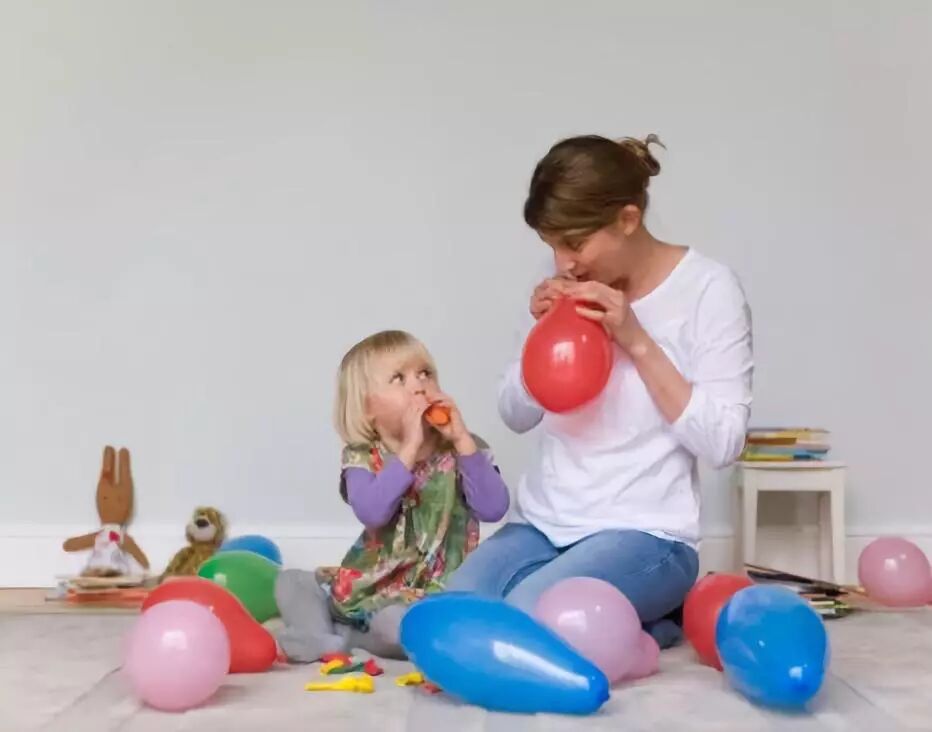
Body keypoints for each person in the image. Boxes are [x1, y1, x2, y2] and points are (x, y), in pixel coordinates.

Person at [447, 134, 754, 647]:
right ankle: (644, 623)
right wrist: (541, 338)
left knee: (531, 618)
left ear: (627, 220)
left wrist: (636, 340)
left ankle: (647, 612)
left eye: (574, 243)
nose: (563, 262)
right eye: (551, 246)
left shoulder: (708, 289)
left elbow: (724, 443)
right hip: (543, 527)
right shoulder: (567, 281)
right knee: (452, 613)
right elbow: (515, 414)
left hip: (648, 535)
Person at [275, 330, 510, 661]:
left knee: (400, 625)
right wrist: (410, 448)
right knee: (291, 582)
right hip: (365, 584)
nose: (419, 386)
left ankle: (349, 637)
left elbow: (494, 508)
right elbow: (373, 512)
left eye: (425, 374)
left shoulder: (465, 450)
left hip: (428, 594)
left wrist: (462, 441)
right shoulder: (361, 456)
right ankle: (317, 635)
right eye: (399, 379)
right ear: (367, 408)